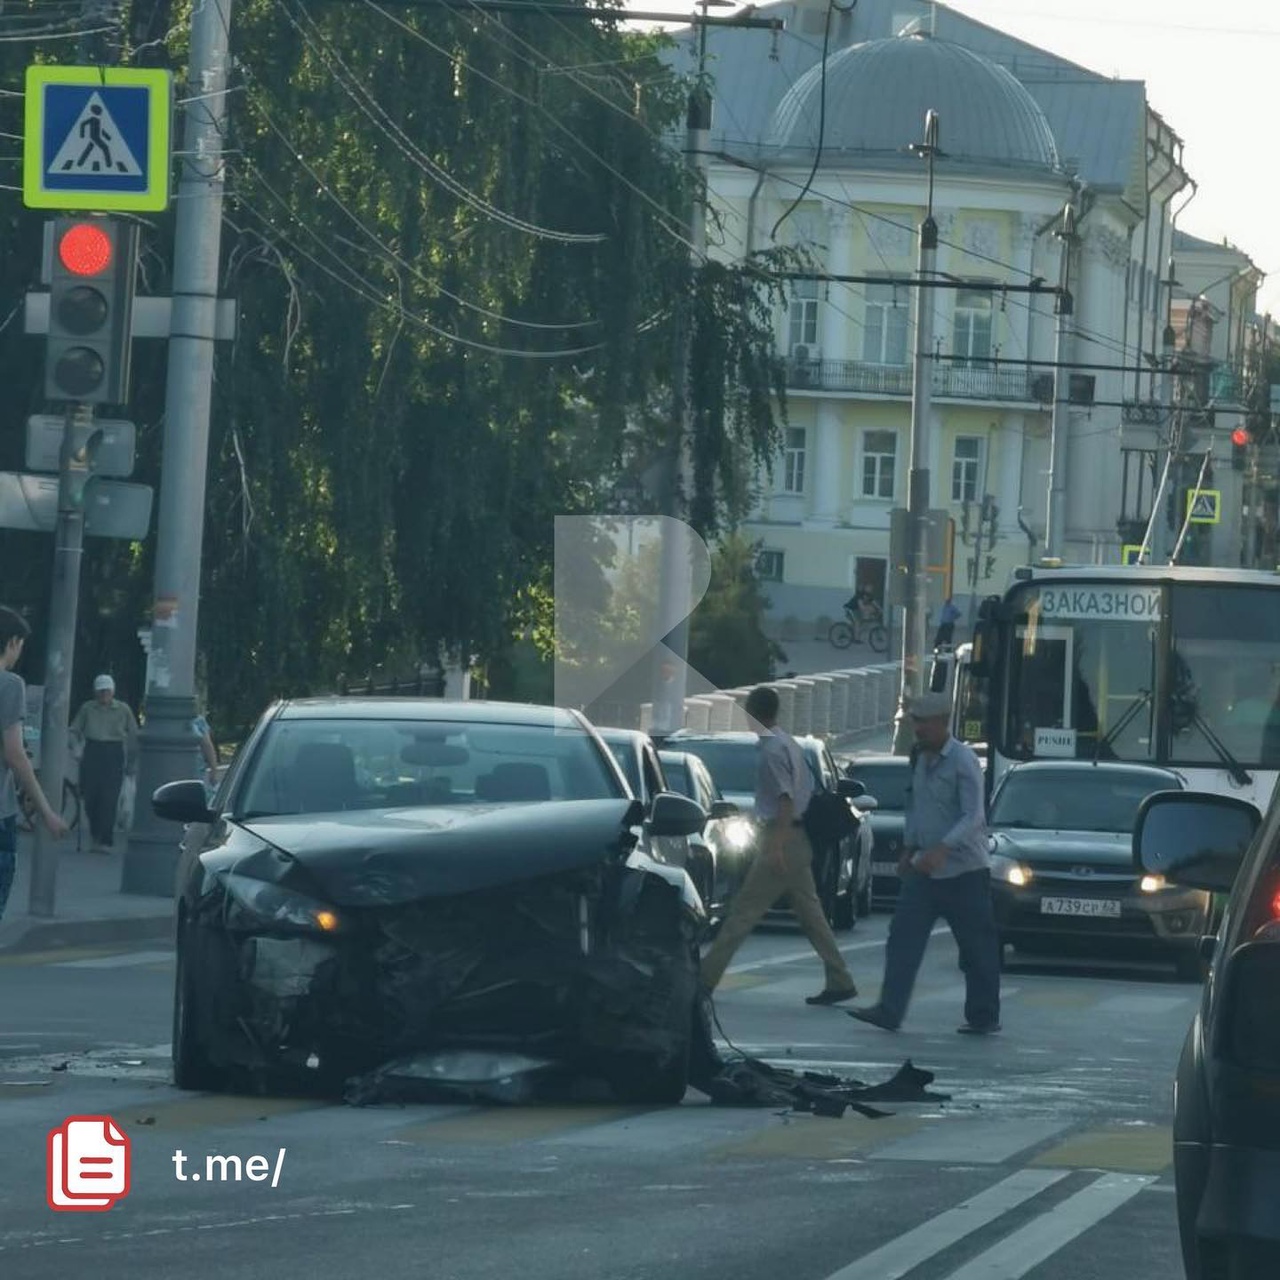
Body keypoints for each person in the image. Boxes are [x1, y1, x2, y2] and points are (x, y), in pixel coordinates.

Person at [847, 690, 1001, 1034]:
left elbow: (974, 816)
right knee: (902, 937)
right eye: (915, 721)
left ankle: (983, 1015)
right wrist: (910, 847)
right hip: (924, 870)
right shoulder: (919, 756)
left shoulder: (963, 761)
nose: (917, 729)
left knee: (976, 948)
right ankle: (889, 1010)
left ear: (942, 722)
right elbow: (915, 806)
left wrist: (943, 848)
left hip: (965, 871)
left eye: (923, 723)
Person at [698, 684, 859, 1005]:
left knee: (743, 913)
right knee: (811, 915)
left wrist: (775, 847)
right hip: (796, 838)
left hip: (781, 837)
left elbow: (785, 800)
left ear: (753, 714)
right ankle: (840, 978)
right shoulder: (788, 743)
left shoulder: (772, 750)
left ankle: (703, 981)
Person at [0, 607, 69, 922]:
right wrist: (47, 813)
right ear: (11, 642)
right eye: (20, 645)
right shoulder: (9, 684)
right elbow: (15, 754)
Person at [69, 674, 139, 853]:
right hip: (92, 751)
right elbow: (74, 729)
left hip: (113, 753)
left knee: (109, 799)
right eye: (100, 691)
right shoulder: (87, 708)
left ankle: (105, 841)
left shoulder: (123, 709)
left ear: (113, 691)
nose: (104, 695)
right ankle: (95, 835)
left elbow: (133, 734)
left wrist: (131, 760)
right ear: (95, 692)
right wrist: (76, 747)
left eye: (107, 691)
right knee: (90, 797)